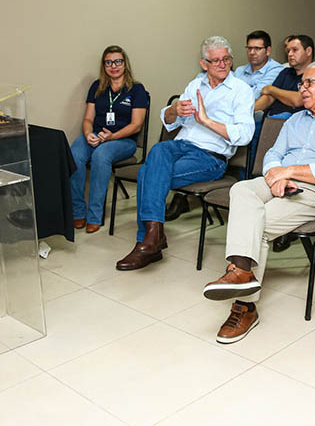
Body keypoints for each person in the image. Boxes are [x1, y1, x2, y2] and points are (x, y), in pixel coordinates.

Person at [201, 61, 315, 343]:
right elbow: (273, 154)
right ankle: (241, 273)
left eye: (310, 83)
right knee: (241, 190)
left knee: (257, 224)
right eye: (303, 83)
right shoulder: (295, 120)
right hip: (276, 181)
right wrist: (276, 177)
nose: (303, 88)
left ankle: (245, 305)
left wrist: (289, 172)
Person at [116, 36, 254, 270]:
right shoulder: (195, 85)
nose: (223, 64)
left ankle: (148, 241)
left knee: (146, 175)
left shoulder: (241, 91)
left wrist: (207, 121)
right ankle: (152, 239)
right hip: (180, 147)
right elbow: (169, 121)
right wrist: (173, 109)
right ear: (204, 64)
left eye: (227, 59)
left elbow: (245, 134)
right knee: (159, 148)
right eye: (216, 60)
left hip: (211, 156)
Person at [70, 46, 148, 233]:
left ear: (125, 64)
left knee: (101, 155)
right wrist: (88, 133)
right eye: (109, 62)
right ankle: (77, 212)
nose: (113, 66)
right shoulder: (97, 87)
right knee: (75, 152)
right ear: (104, 66)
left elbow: (136, 125)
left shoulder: (136, 89)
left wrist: (112, 137)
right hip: (97, 135)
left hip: (123, 141)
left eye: (118, 61)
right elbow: (88, 118)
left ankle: (94, 216)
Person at [234, 30, 284, 95]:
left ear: (268, 51)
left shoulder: (276, 70)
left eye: (257, 48)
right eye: (249, 48)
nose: (252, 52)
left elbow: (257, 94)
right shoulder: (239, 70)